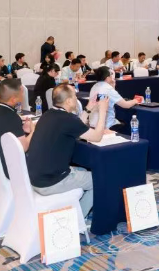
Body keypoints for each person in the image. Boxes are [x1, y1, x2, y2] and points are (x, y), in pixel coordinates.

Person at [27, 84, 108, 217]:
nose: (77, 98)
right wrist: (103, 111)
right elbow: (97, 136)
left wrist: (88, 109)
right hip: (51, 181)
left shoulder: (48, 115)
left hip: (36, 177)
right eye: (75, 96)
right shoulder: (68, 119)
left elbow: (76, 127)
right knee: (100, 179)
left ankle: (74, 210)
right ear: (69, 101)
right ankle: (78, 218)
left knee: (82, 171)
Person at [0, 79, 34, 177]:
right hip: (11, 167)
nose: (23, 95)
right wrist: (33, 131)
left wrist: (22, 129)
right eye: (21, 93)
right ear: (13, 99)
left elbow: (4, 130)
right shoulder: (11, 116)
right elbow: (23, 147)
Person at [88, 66, 140, 132]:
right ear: (107, 78)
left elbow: (110, 97)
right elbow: (126, 105)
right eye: (111, 74)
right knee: (128, 126)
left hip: (93, 124)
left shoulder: (94, 86)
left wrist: (113, 86)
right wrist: (135, 100)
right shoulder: (108, 88)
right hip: (106, 126)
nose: (112, 76)